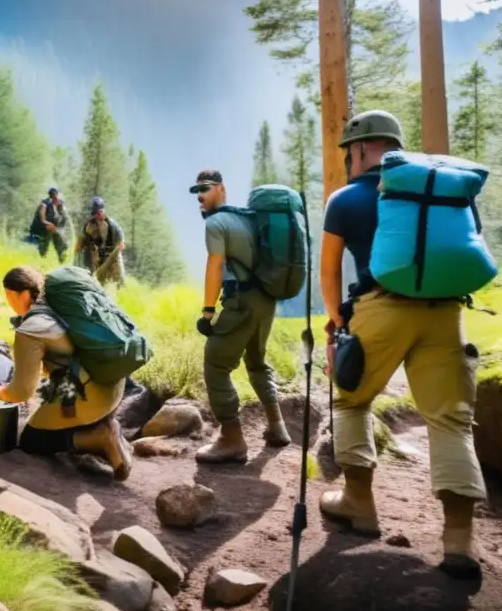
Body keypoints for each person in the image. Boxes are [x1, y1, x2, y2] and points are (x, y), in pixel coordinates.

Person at [320, 109, 486, 579]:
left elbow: (330, 271)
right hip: (447, 312)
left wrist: (337, 321)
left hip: (381, 308)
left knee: (351, 402)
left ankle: (359, 503)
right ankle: (459, 542)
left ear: (358, 150)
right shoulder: (442, 191)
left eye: (348, 154)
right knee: (452, 421)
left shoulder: (345, 198)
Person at [0, 266, 133, 480]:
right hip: (113, 383)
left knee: (32, 439)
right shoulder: (58, 303)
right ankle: (107, 429)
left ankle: (99, 437)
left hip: (92, 397)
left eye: (8, 295)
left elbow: (21, 393)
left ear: (15, 293)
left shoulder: (32, 328)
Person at [190, 169, 292, 463]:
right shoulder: (249, 218)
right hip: (266, 302)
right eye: (196, 189)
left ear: (221, 188)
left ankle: (231, 439)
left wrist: (208, 311)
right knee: (257, 362)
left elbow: (214, 266)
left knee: (216, 364)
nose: (199, 194)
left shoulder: (217, 223)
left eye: (205, 188)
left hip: (242, 302)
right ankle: (277, 428)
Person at [74, 196, 126, 287]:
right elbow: (80, 243)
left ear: (103, 211)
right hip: (97, 256)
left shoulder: (112, 225)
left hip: (113, 255)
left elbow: (121, 243)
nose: (97, 215)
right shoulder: (89, 225)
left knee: (119, 281)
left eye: (99, 212)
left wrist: (112, 256)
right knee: (98, 282)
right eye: (95, 213)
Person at [34, 188, 69, 263]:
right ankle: (42, 259)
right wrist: (49, 224)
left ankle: (61, 258)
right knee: (44, 245)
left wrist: (59, 227)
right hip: (45, 227)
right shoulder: (44, 204)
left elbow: (64, 217)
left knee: (61, 243)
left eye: (56, 195)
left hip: (55, 227)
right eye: (53, 196)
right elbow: (42, 219)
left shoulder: (60, 203)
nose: (55, 197)